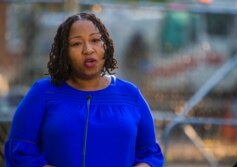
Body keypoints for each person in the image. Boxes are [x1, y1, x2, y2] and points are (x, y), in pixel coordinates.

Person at [4, 12, 164, 167]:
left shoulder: (130, 95)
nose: (88, 49)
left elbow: (150, 154)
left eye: (95, 40)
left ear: (105, 46)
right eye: (76, 43)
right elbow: (19, 151)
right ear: (64, 52)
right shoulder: (43, 93)